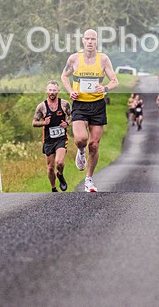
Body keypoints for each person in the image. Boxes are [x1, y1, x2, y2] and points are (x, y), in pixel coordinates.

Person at [61, 28, 119, 193]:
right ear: (83, 40)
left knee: (93, 145)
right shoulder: (74, 58)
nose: (90, 42)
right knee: (81, 139)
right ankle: (80, 152)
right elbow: (64, 76)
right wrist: (70, 90)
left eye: (93, 39)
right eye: (87, 39)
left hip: (97, 105)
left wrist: (105, 87)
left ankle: (89, 180)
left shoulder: (103, 59)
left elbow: (115, 81)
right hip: (80, 104)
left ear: (97, 41)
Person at [32, 80, 72, 192]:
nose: (52, 92)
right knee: (50, 168)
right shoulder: (41, 107)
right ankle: (54, 188)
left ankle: (60, 174)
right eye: (50, 90)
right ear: (46, 91)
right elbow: (34, 122)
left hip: (61, 138)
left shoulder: (64, 104)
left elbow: (72, 115)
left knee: (59, 162)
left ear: (58, 91)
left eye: (54, 90)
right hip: (48, 140)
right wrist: (44, 123)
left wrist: (67, 123)